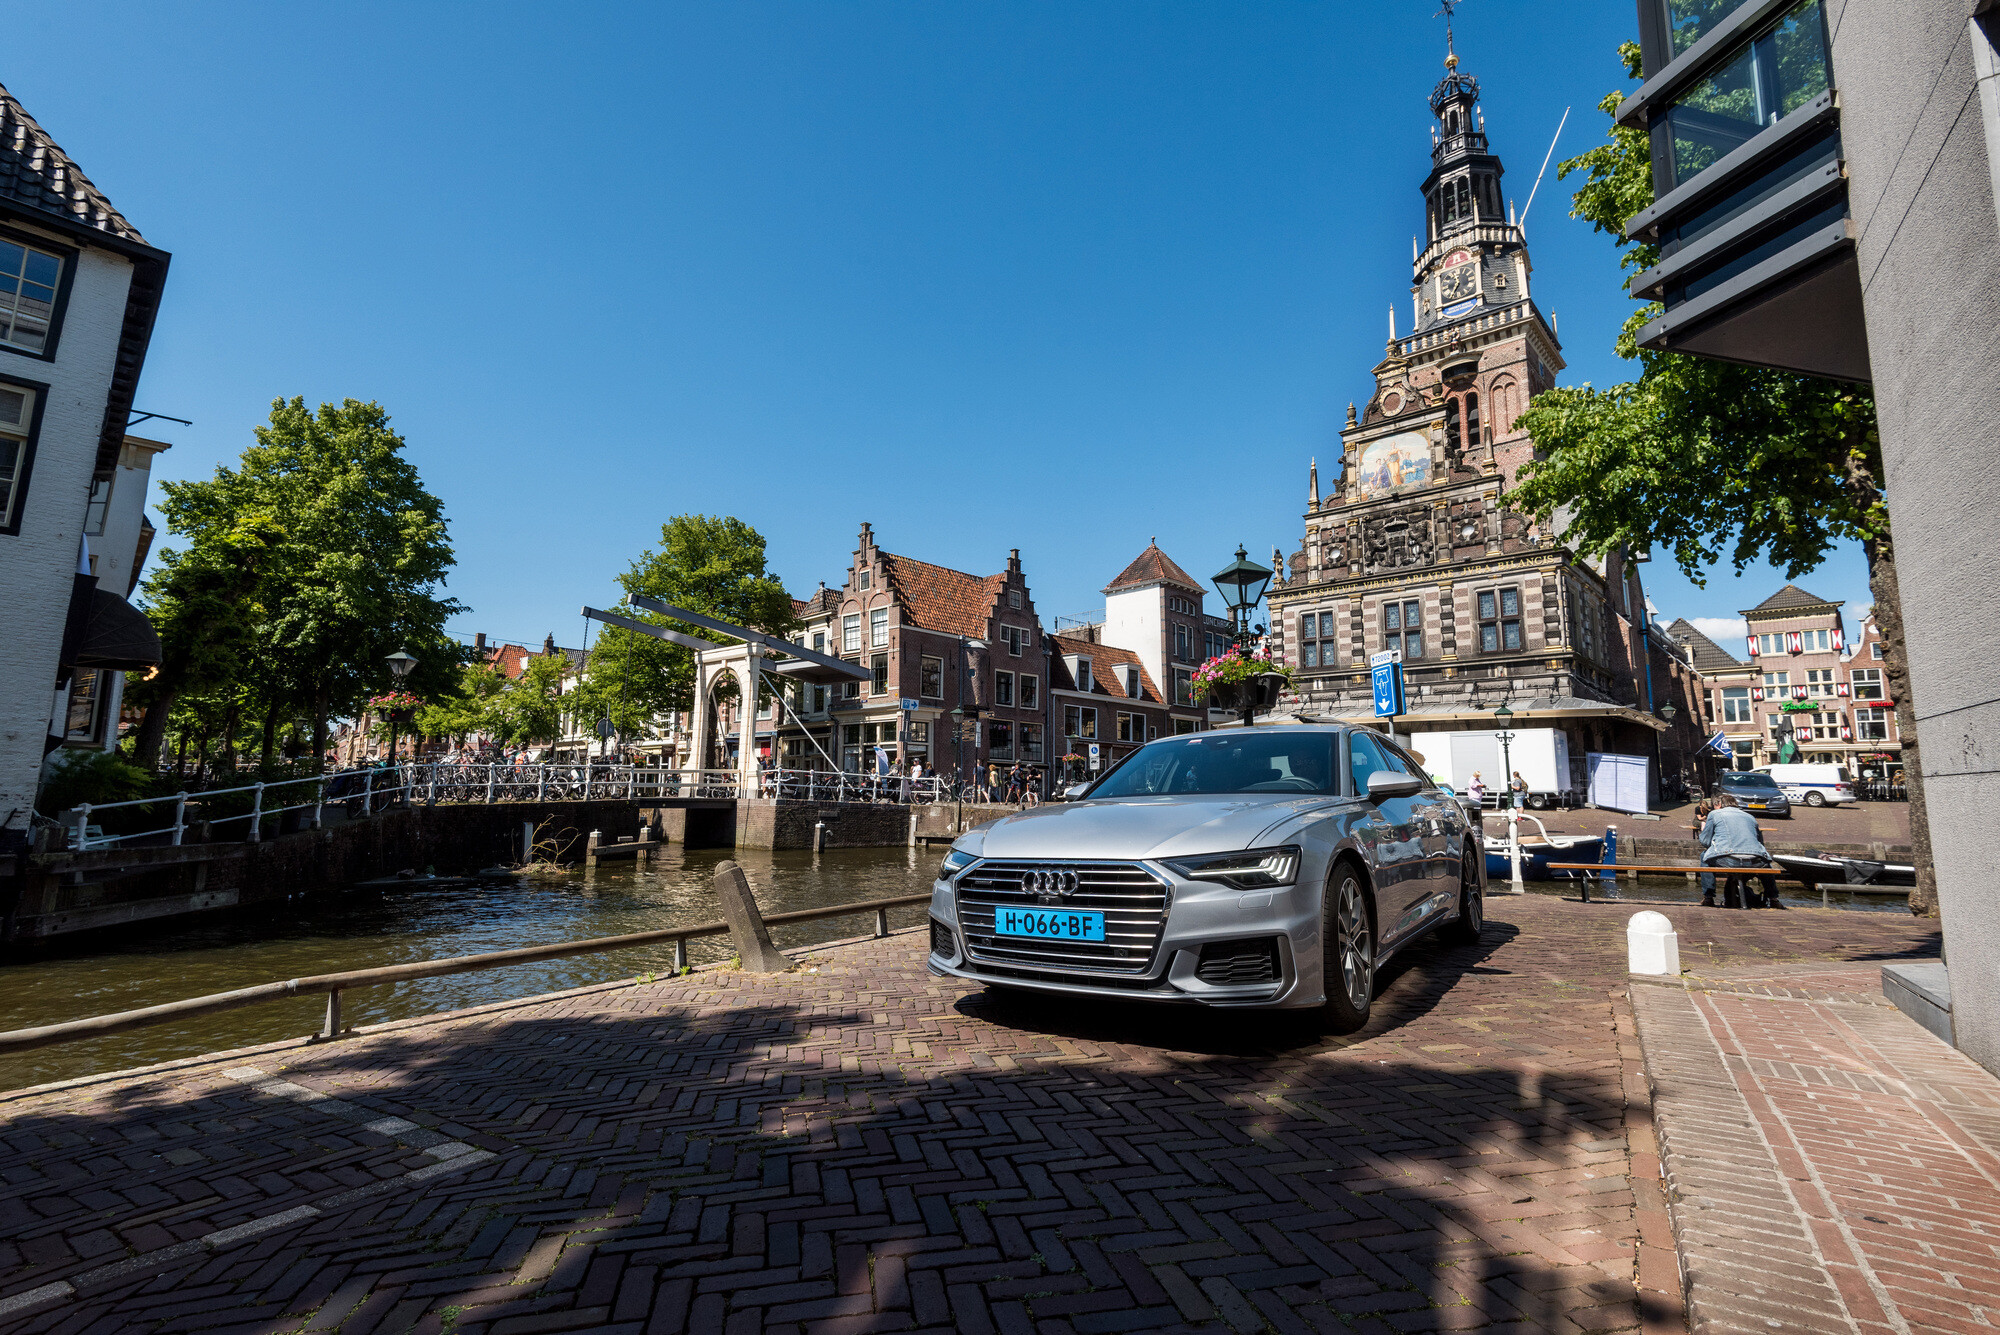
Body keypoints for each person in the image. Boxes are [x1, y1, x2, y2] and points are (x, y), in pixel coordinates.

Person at [1698, 795, 1784, 909]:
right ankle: (1774, 899)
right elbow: (1760, 842)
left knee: (1705, 856)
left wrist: (1716, 841)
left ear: (1718, 805)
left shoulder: (1714, 814)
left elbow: (1705, 841)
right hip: (1756, 860)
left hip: (1728, 859)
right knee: (1766, 866)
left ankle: (1708, 897)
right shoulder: (1750, 817)